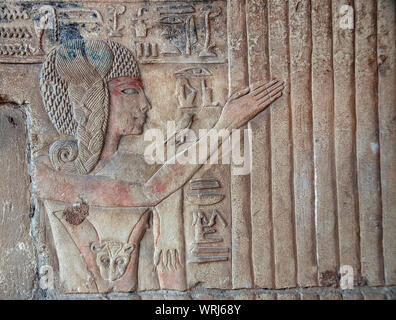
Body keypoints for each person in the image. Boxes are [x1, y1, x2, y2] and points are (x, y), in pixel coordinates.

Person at [34, 39, 284, 292]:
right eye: (130, 91)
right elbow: (150, 191)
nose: (145, 104)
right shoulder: (47, 172)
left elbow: (170, 271)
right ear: (95, 98)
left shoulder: (144, 167)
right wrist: (224, 127)